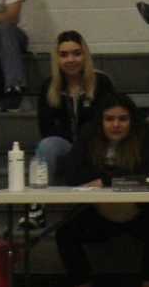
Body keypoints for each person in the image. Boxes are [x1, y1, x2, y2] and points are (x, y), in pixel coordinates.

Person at [55, 95, 149, 287]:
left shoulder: (145, 137)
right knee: (65, 232)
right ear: (100, 121)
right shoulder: (88, 136)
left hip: (138, 211)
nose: (116, 125)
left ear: (132, 120)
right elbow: (72, 173)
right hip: (99, 213)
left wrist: (106, 179)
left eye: (122, 119)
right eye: (109, 119)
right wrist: (115, 178)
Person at [36, 31, 117, 186]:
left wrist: (81, 147)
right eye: (64, 55)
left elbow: (109, 122)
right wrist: (74, 153)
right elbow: (46, 129)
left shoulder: (101, 82)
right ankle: (44, 197)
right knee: (47, 146)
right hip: (65, 146)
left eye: (77, 53)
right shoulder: (48, 86)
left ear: (85, 56)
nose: (71, 59)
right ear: (57, 59)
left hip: (95, 146)